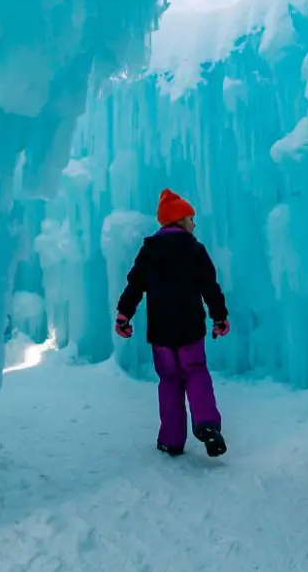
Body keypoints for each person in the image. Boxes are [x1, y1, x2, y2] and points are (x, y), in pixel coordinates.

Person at [115, 188, 231, 459]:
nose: (194, 224)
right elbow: (209, 287)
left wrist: (124, 314)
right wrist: (219, 317)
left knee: (169, 381)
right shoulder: (195, 249)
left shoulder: (149, 251)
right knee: (196, 372)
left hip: (161, 333)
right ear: (179, 220)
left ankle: (171, 440)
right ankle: (207, 425)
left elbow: (135, 285)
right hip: (190, 328)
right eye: (191, 218)